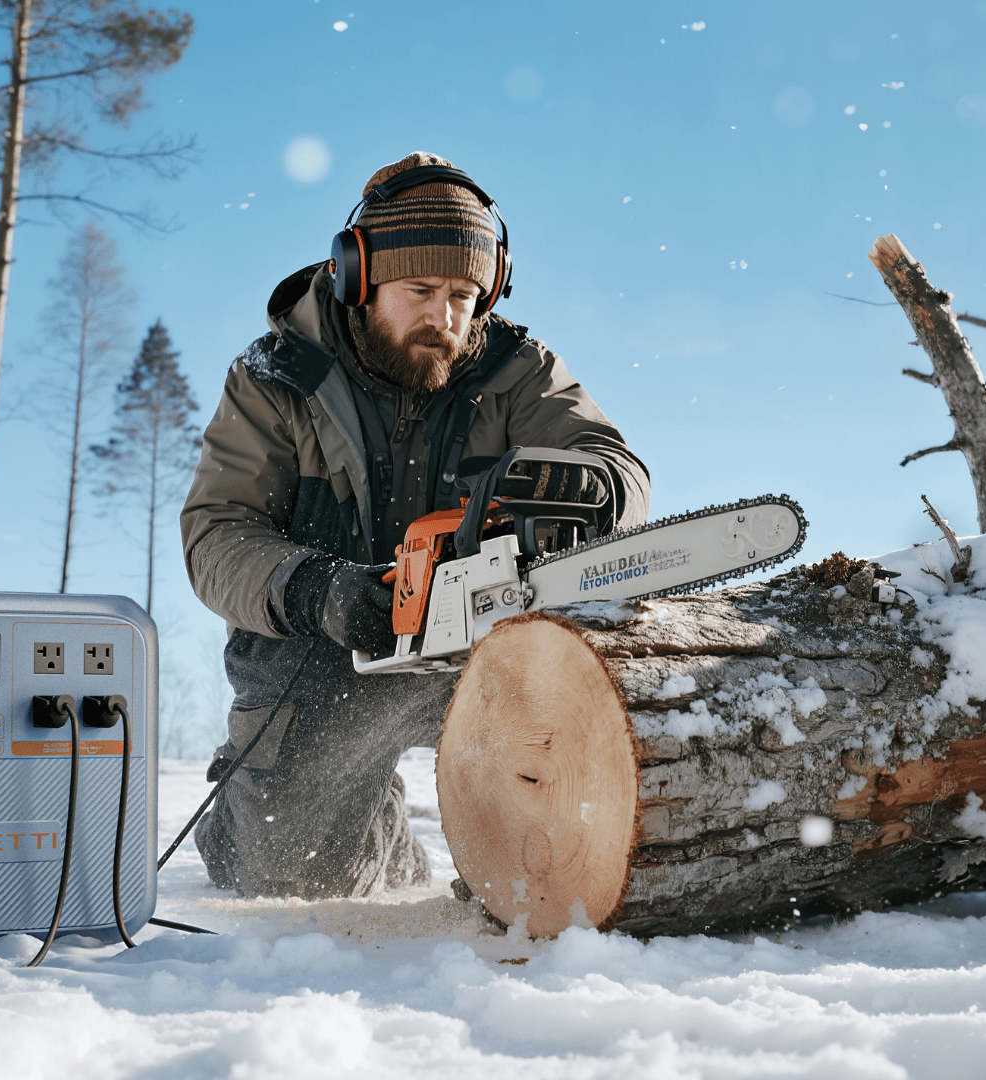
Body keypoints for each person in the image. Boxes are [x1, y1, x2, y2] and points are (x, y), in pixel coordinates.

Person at [179, 152, 652, 898]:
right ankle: (306, 817)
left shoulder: (517, 368)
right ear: (358, 278)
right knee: (281, 875)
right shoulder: (276, 376)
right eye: (421, 290)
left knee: (570, 815)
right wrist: (316, 590)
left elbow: (616, 464)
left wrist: (592, 487)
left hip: (488, 639)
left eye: (465, 294)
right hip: (328, 648)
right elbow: (216, 532)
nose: (445, 316)